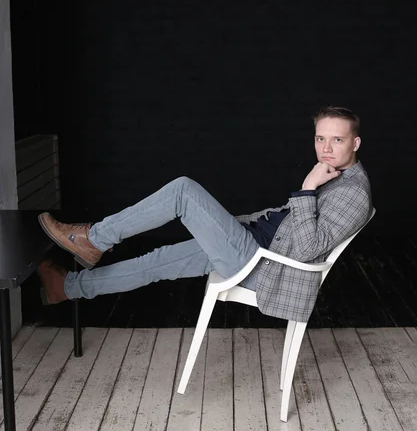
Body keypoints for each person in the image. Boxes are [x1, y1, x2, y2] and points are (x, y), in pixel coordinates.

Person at [38, 105, 372, 323]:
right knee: (155, 262)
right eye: (320, 138)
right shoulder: (336, 173)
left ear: (355, 143)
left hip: (263, 267)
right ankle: (67, 287)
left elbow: (307, 249)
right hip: (252, 245)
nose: (325, 148)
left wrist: (306, 189)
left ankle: (93, 238)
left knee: (183, 191)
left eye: (337, 139)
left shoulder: (353, 193)